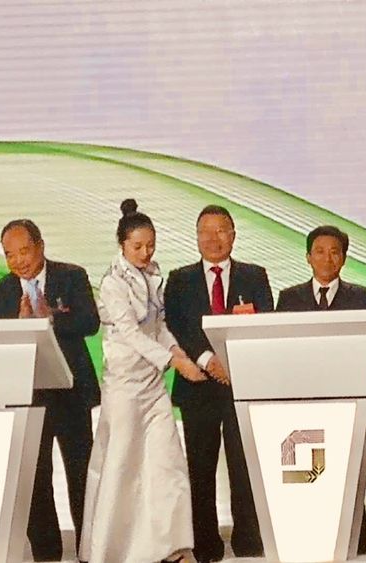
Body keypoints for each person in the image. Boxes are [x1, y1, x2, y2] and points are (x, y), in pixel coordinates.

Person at [80, 199, 204, 563]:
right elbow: (131, 334)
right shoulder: (111, 283)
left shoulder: (153, 273)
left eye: (151, 245)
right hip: (124, 385)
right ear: (122, 244)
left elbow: (158, 325)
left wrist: (177, 351)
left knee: (167, 463)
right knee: (122, 465)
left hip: (153, 384)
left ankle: (172, 546)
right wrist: (174, 362)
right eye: (138, 246)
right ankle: (109, 549)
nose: (146, 252)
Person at [165, 204, 273, 562]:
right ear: (196, 237)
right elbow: (177, 325)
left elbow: (264, 323)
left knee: (244, 468)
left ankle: (249, 544)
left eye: (221, 230)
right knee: (200, 470)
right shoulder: (180, 279)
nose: (213, 239)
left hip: (242, 386)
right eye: (205, 232)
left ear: (233, 235)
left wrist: (234, 364)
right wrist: (208, 360)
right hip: (197, 385)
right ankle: (205, 547)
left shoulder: (254, 276)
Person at [0, 219, 99, 562]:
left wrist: (50, 318)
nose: (18, 261)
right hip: (29, 396)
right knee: (36, 477)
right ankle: (46, 553)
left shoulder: (72, 276)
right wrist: (21, 326)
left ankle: (89, 550)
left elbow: (90, 322)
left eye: (24, 251)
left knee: (81, 473)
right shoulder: (0, 292)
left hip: (71, 393)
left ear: (40, 246)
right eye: (10, 255)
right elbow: (1, 344)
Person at [276, 224, 366, 555]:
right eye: (319, 251)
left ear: (344, 258)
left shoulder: (363, 299)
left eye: (334, 252)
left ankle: (355, 551)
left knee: (348, 481)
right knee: (306, 480)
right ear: (308, 257)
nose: (327, 258)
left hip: (348, 403)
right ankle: (306, 547)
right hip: (301, 406)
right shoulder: (289, 299)